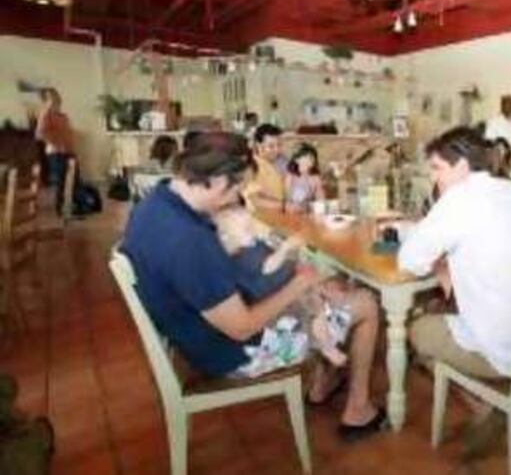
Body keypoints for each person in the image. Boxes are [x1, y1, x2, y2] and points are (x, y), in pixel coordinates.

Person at [121, 132, 385, 439]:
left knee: (330, 291)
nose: (240, 198)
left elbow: (228, 279)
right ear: (219, 182)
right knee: (365, 301)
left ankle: (321, 386)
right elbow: (242, 327)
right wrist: (299, 284)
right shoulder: (188, 240)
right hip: (233, 353)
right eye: (239, 188)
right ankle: (358, 410)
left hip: (196, 332)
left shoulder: (156, 203)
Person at [398, 126, 511, 456]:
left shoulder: (458, 199)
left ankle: (485, 406)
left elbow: (410, 260)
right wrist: (445, 263)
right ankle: (489, 398)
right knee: (442, 308)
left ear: (460, 166)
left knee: (415, 331)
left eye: (437, 168)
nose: (434, 177)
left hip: (509, 347)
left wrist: (438, 260)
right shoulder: (510, 191)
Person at [214, 206, 351, 367]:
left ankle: (321, 335)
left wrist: (278, 244)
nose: (251, 231)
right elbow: (267, 267)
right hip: (282, 294)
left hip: (286, 286)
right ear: (227, 239)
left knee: (311, 309)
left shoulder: (250, 246)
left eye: (250, 225)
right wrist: (285, 247)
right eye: (245, 229)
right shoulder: (244, 257)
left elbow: (268, 252)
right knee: (313, 310)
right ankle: (326, 345)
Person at [35, 88, 75, 215]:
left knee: (73, 179)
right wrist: (56, 143)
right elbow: (39, 134)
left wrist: (69, 146)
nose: (53, 99)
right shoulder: (45, 114)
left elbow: (67, 133)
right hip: (56, 153)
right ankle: (60, 209)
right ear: (45, 101)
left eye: (55, 96)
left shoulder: (62, 116)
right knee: (61, 181)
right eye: (50, 97)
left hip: (68, 151)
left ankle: (71, 206)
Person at [244, 123, 288, 210]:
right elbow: (253, 200)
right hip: (261, 216)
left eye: (279, 145)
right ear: (258, 145)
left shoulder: (283, 161)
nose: (276, 150)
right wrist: (284, 206)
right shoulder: (251, 165)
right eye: (271, 146)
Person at [285, 143, 324, 212]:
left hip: (308, 209)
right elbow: (287, 196)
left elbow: (320, 195)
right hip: (292, 209)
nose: (310, 160)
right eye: (306, 157)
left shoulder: (315, 177)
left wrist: (320, 205)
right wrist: (293, 206)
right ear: (296, 159)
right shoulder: (291, 176)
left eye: (312, 157)